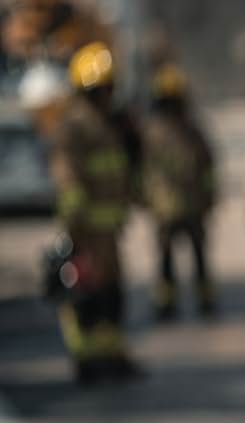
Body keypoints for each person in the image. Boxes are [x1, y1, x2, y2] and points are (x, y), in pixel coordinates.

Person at [49, 41, 140, 384]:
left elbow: (122, 170)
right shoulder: (74, 125)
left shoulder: (109, 124)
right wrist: (75, 226)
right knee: (88, 297)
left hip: (109, 228)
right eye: (99, 89)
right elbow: (68, 176)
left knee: (112, 293)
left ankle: (112, 357)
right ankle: (87, 362)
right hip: (86, 230)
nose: (105, 96)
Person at [141, 63, 216, 319]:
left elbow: (206, 167)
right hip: (175, 206)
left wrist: (208, 196)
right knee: (171, 258)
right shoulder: (160, 133)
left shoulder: (157, 132)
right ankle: (174, 302)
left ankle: (188, 301)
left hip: (180, 206)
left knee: (188, 256)